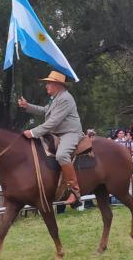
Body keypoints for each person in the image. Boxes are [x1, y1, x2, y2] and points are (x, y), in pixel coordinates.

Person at [18, 70, 84, 206]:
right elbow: (45, 111)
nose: (46, 86)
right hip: (57, 134)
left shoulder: (65, 98)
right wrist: (27, 106)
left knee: (62, 155)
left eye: (48, 83)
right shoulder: (56, 98)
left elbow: (53, 122)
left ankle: (75, 190)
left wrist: (33, 132)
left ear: (58, 85)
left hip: (69, 133)